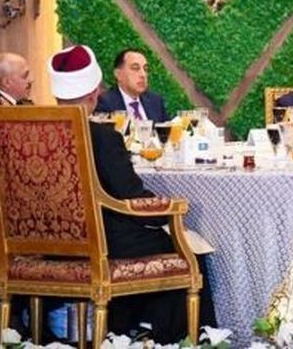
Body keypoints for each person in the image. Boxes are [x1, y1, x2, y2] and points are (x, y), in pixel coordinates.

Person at [49, 45, 213, 341]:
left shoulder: (32, 135)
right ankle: (179, 341)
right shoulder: (102, 136)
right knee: (186, 249)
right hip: (102, 243)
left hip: (49, 244)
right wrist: (170, 213)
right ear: (94, 93)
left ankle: (130, 333)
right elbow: (131, 196)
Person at [96, 49, 169, 122]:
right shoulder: (104, 103)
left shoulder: (155, 101)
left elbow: (167, 128)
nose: (143, 75)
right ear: (118, 74)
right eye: (135, 68)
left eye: (145, 69)